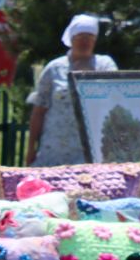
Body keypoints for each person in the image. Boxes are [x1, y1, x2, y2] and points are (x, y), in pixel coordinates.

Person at [25, 14, 118, 166]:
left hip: (90, 151)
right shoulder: (54, 68)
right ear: (72, 38)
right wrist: (31, 148)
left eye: (90, 37)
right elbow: (39, 110)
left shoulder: (105, 65)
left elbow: (113, 97)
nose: (85, 41)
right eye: (80, 36)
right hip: (54, 151)